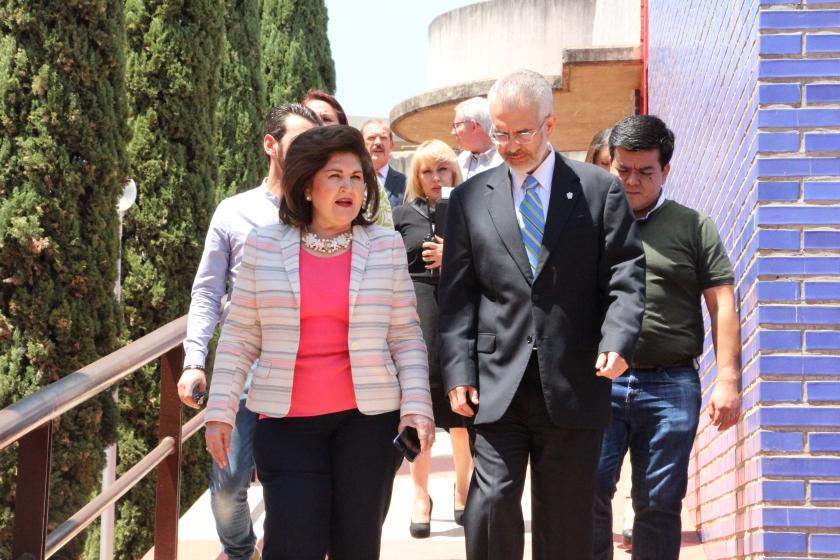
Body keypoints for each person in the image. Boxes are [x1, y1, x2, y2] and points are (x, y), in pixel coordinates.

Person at [437, 69, 646, 560]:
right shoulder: (470, 198)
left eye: (521, 132)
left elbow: (625, 274)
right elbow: (457, 296)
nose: (509, 145)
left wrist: (617, 339)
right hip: (496, 381)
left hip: (573, 379)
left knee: (566, 520)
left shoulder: (599, 190)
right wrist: (457, 370)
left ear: (549, 124)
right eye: (499, 132)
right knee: (488, 507)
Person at [204, 125, 435, 560]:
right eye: (335, 176)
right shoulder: (264, 245)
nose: (349, 187)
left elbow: (405, 336)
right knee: (292, 546)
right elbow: (239, 336)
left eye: (356, 176)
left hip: (368, 424)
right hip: (288, 424)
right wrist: (219, 412)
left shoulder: (385, 246)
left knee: (356, 547)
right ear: (307, 185)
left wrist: (417, 407)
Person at [593, 115, 741, 560]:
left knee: (659, 502)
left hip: (671, 384)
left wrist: (728, 378)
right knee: (588, 491)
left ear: (666, 172)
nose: (632, 181)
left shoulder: (694, 226)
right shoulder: (586, 226)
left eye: (645, 172)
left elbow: (723, 303)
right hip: (598, 383)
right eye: (623, 169)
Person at [177, 103, 320, 560]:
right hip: (244, 373)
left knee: (292, 488)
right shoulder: (233, 212)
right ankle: (240, 551)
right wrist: (194, 361)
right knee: (229, 483)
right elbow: (206, 292)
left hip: (308, 377)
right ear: (270, 145)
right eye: (298, 141)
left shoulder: (324, 211)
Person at [392, 140, 472, 538]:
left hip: (458, 312)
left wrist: (452, 255)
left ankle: (463, 488)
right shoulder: (400, 214)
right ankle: (420, 495)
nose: (436, 177)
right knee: (418, 405)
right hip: (415, 314)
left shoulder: (471, 209)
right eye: (428, 171)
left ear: (454, 172)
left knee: (460, 410)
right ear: (416, 176)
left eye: (443, 169)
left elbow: (489, 261)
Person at [302, 92, 394, 229]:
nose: (318, 125)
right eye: (310, 117)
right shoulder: (284, 177)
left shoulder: (369, 183)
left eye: (326, 119)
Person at [452, 97, 504, 179]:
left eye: (456, 126)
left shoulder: (508, 159)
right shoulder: (458, 162)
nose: (453, 132)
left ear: (473, 126)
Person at [362, 119, 407, 208]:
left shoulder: (406, 183)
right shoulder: (352, 180)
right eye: (371, 138)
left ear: (391, 145)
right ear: (361, 144)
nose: (378, 142)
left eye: (383, 138)